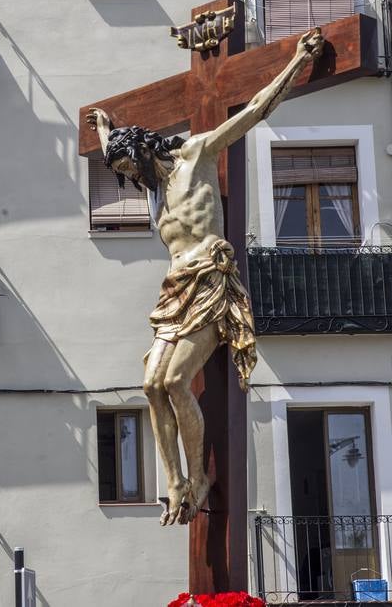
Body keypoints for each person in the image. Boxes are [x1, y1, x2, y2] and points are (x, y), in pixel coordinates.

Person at [86, 28, 324, 527]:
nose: (136, 178)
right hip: (174, 290)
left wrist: (297, 61)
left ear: (149, 150)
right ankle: (172, 482)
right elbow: (117, 145)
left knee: (175, 379)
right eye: (127, 172)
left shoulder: (198, 153)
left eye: (135, 166)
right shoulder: (154, 188)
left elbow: (256, 109)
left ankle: (198, 477)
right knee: (150, 384)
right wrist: (106, 130)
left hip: (210, 282)